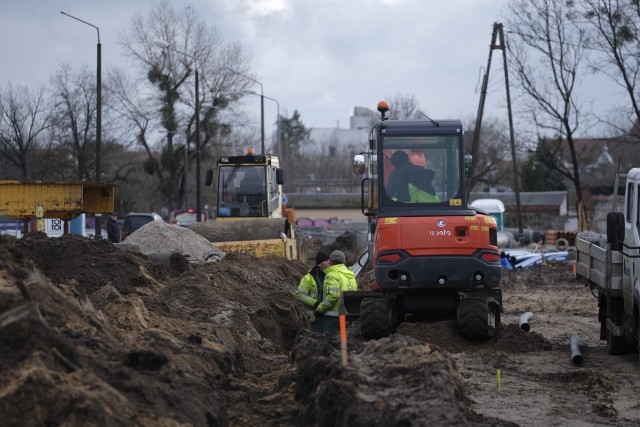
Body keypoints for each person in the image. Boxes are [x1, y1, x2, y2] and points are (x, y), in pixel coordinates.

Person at [314, 250, 358, 334]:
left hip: (334, 318)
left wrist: (320, 309)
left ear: (331, 261)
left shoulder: (332, 275)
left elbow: (332, 297)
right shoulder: (350, 276)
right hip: (348, 317)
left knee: (328, 343)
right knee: (343, 342)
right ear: (343, 261)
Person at [295, 251, 331, 333]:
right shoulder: (308, 278)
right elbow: (299, 295)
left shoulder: (332, 276)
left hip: (329, 317)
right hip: (316, 317)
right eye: (326, 261)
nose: (329, 263)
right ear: (319, 264)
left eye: (329, 260)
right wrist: (315, 303)